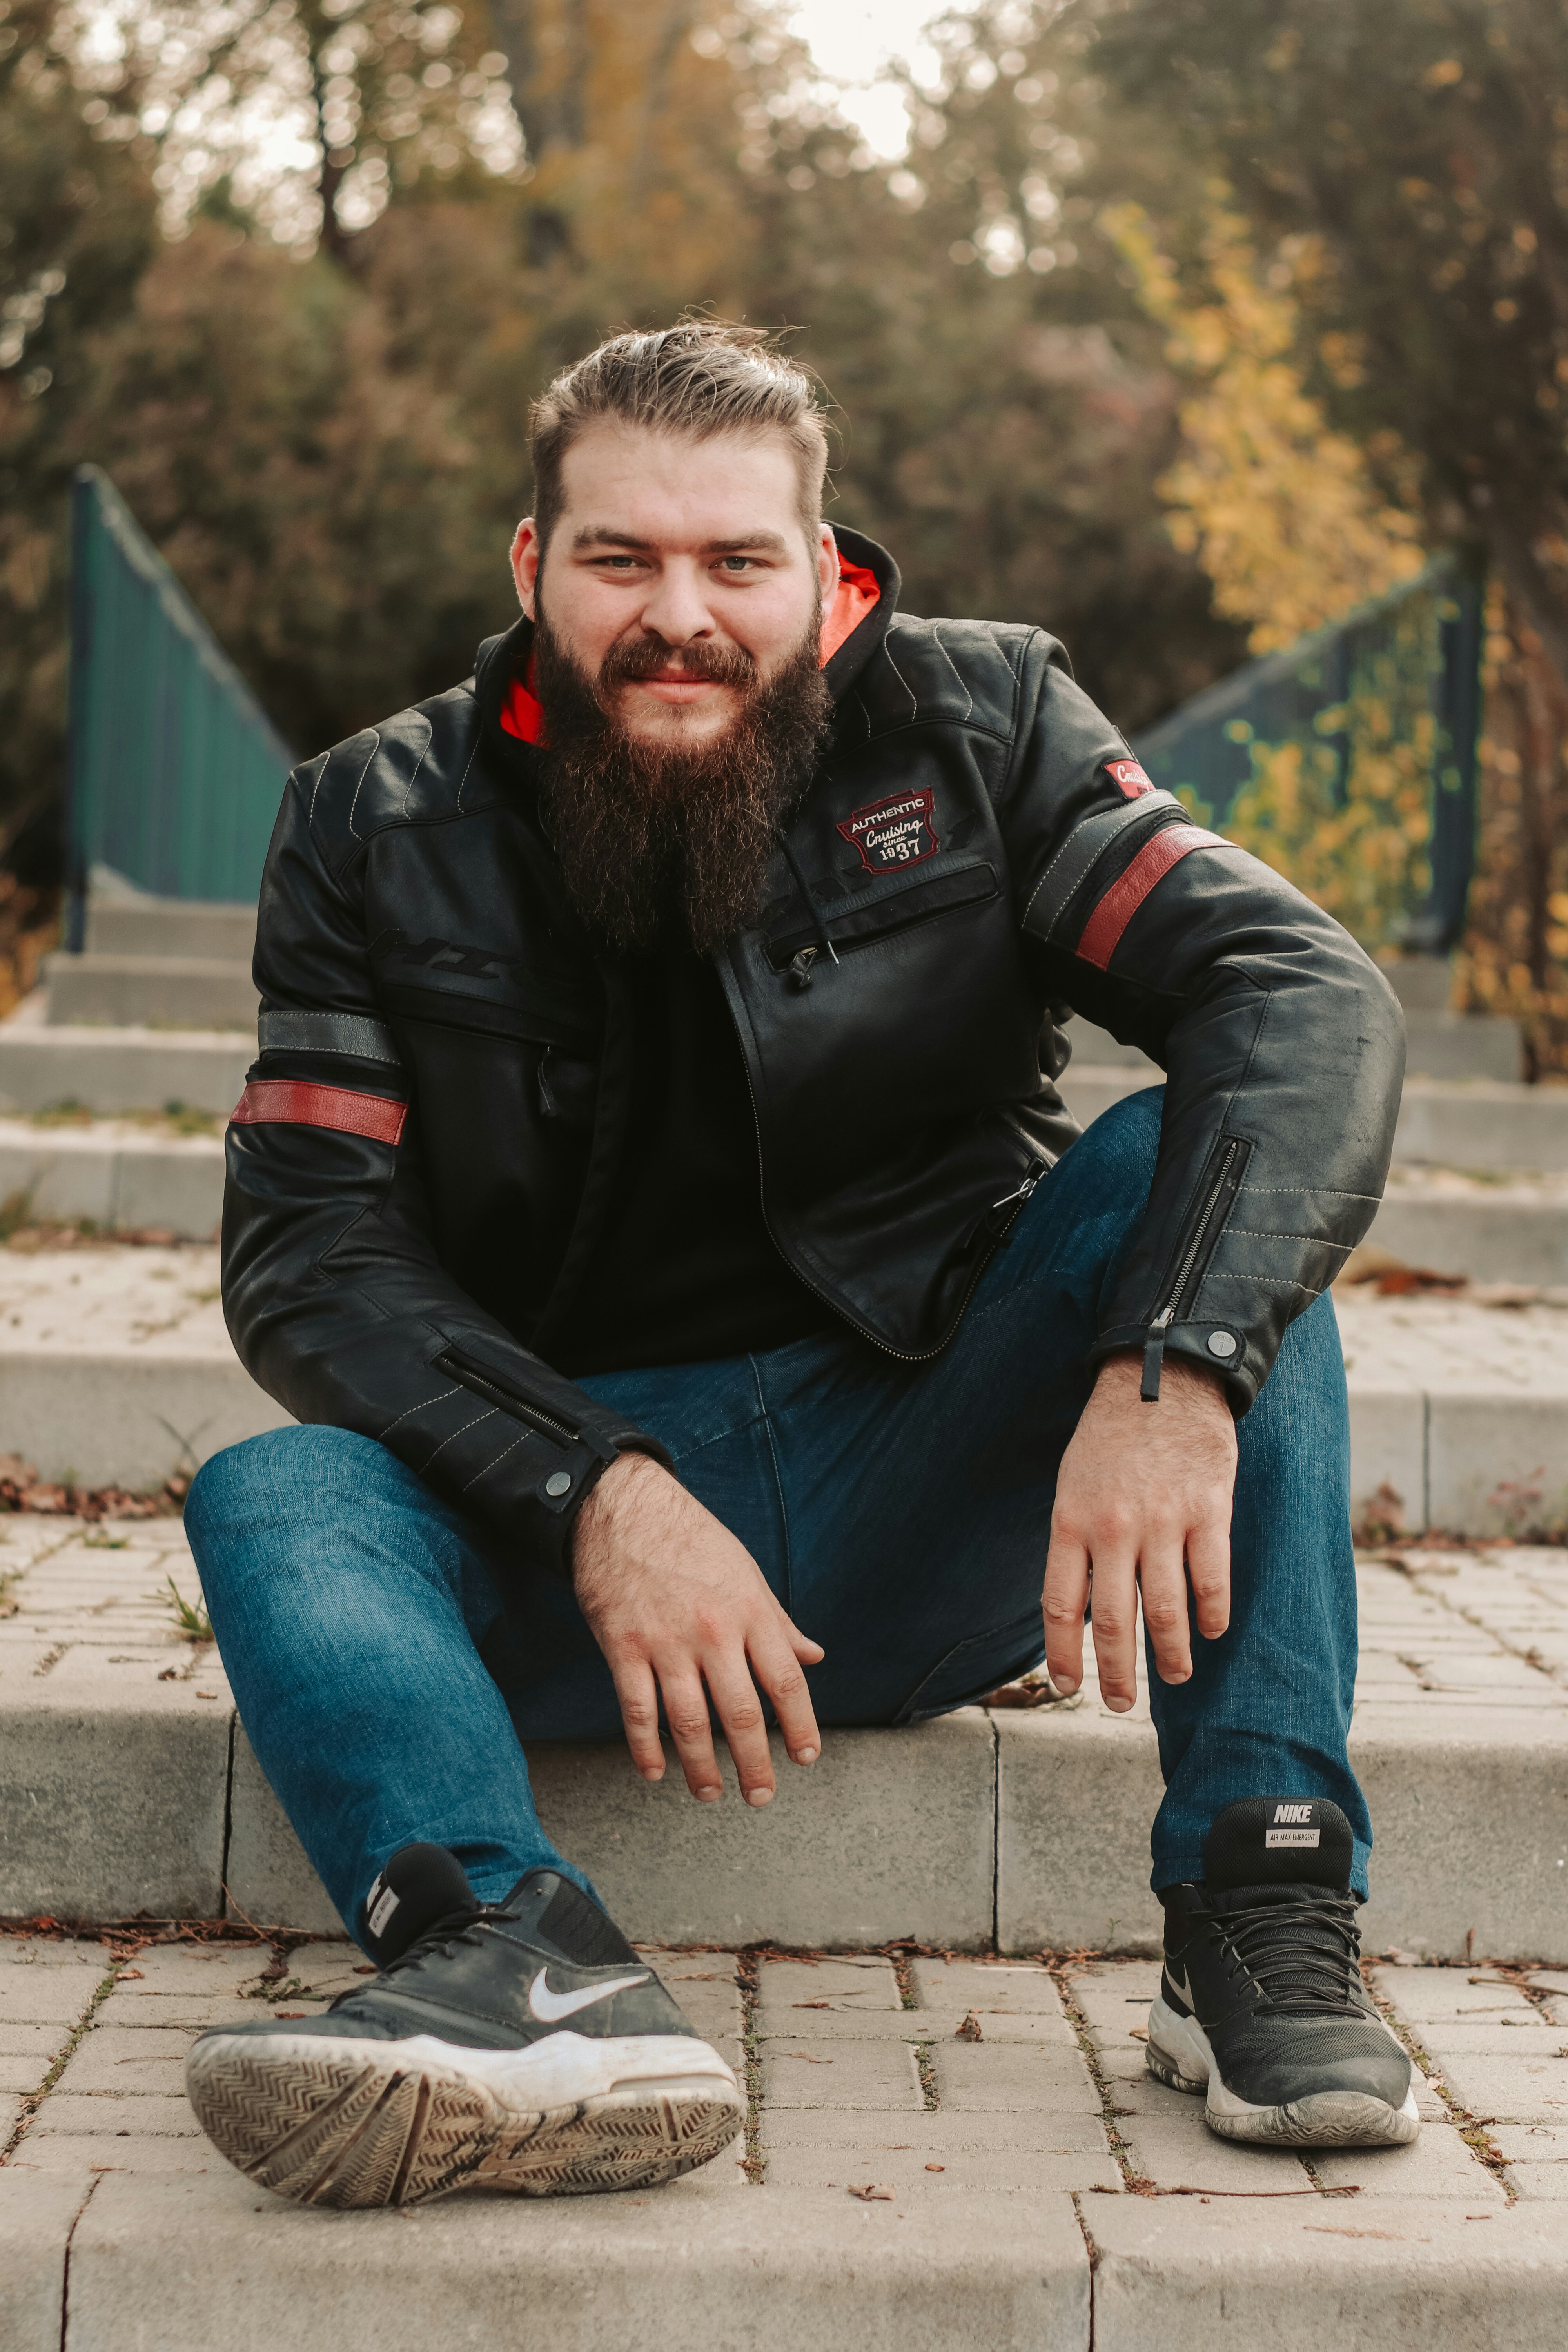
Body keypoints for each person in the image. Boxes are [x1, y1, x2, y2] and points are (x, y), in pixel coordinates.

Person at [182, 321, 1414, 2210]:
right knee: (280, 1493)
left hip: (930, 1459)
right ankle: (516, 1962)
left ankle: (1257, 1896)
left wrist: (1168, 1370)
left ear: (827, 581)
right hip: (570, 1522)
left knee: (1204, 1172)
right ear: (534, 571)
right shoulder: (371, 821)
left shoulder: (985, 727)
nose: (680, 616)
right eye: (622, 560)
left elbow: (1293, 991)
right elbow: (306, 1246)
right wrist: (596, 1485)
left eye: (735, 562)